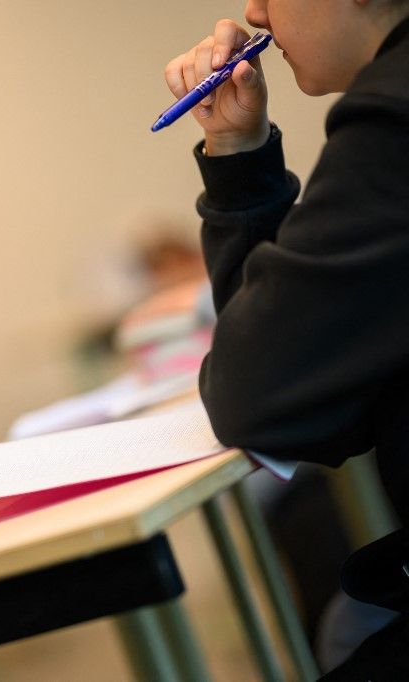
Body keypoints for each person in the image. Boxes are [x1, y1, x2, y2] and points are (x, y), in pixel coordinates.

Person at [164, 1, 409, 677]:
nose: (254, 10)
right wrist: (239, 157)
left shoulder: (393, 120)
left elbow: (259, 398)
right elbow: (314, 402)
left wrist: (241, 173)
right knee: (345, 624)